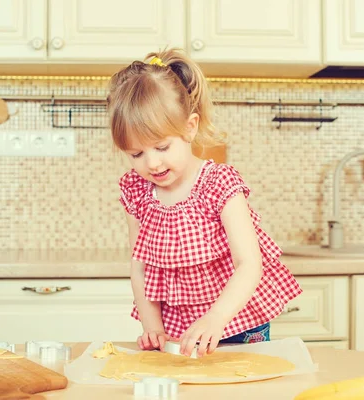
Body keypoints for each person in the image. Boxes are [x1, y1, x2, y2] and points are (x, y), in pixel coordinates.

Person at [107, 48, 302, 358]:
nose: (152, 163)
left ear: (190, 126)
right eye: (136, 154)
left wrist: (216, 318)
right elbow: (140, 267)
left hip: (238, 325)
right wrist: (152, 324)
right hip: (179, 332)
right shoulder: (137, 191)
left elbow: (249, 264)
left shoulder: (218, 184)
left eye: (161, 147)